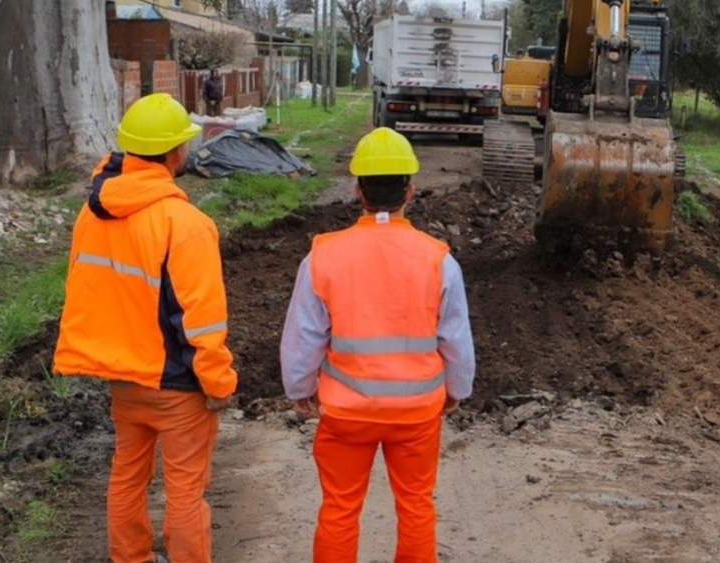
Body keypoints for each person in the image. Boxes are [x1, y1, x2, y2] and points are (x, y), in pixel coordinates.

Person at [53, 92, 237, 563]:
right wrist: (218, 382)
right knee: (185, 489)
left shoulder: (94, 212)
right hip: (177, 384)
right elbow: (202, 318)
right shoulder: (186, 223)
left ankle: (131, 557)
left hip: (120, 373)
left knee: (128, 474)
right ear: (175, 153)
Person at [280, 127, 476, 563]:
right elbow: (456, 338)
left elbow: (304, 335)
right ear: (411, 190)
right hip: (417, 414)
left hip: (347, 413)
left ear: (357, 190)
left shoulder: (323, 257)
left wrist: (299, 388)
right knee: (416, 505)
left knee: (340, 507)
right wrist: (457, 390)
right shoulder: (438, 259)